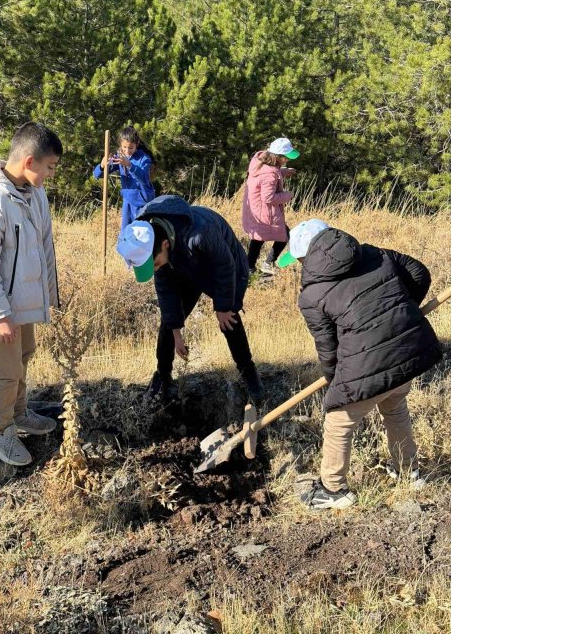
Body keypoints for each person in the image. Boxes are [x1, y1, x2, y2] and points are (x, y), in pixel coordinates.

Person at [279, 219, 444, 510]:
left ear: (307, 255)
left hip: (368, 361)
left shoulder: (312, 295)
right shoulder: (374, 253)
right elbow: (419, 273)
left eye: (300, 259)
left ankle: (334, 490)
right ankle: (410, 472)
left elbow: (328, 349)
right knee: (394, 406)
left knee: (338, 421)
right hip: (408, 349)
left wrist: (336, 382)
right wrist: (399, 314)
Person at [115, 194, 264, 407]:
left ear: (165, 244)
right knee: (168, 321)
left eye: (155, 264)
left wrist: (222, 307)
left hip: (224, 266)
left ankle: (249, 374)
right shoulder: (156, 248)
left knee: (229, 319)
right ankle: (163, 376)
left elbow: (225, 266)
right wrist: (176, 331)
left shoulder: (200, 233)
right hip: (183, 265)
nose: (155, 268)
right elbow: (167, 294)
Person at [0, 122, 64, 466]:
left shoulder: (34, 192)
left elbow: (42, 248)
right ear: (29, 162)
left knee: (26, 352)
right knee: (7, 369)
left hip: (22, 301)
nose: (52, 174)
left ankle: (20, 412)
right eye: (50, 167)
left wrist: (46, 297)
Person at [241, 137, 299, 276]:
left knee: (257, 238)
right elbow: (268, 197)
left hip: (255, 208)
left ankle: (249, 267)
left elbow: (266, 175)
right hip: (264, 211)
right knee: (284, 235)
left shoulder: (259, 162)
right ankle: (268, 263)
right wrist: (287, 195)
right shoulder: (270, 174)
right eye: (286, 157)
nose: (288, 160)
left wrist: (282, 172)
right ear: (278, 157)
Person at [93, 126, 157, 229]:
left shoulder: (144, 159)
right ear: (120, 145)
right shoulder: (119, 156)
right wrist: (102, 165)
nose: (127, 151)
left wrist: (129, 165)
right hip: (128, 201)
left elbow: (144, 179)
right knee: (126, 234)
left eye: (131, 148)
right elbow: (97, 174)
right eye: (124, 147)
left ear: (137, 144)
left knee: (141, 234)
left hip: (142, 203)